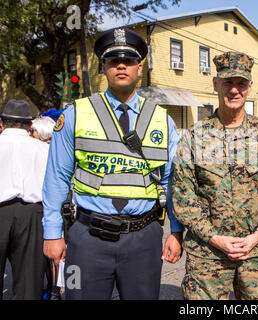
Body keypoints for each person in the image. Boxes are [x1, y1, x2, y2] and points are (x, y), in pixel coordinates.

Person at [42, 27, 184, 300]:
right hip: (87, 239)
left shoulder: (162, 119)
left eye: (129, 60)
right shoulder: (75, 115)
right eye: (113, 60)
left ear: (139, 68)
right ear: (103, 66)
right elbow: (57, 176)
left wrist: (176, 231)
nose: (121, 65)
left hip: (144, 238)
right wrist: (51, 232)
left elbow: (170, 181)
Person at [172, 52, 258, 300]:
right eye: (228, 83)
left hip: (257, 256)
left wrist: (257, 236)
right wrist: (215, 238)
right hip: (207, 255)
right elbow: (184, 197)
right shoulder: (195, 136)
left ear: (250, 87)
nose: (234, 90)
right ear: (215, 84)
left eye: (241, 83)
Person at [0, 99, 49, 299]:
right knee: (29, 282)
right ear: (30, 125)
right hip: (32, 213)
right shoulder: (43, 149)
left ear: (2, 123)